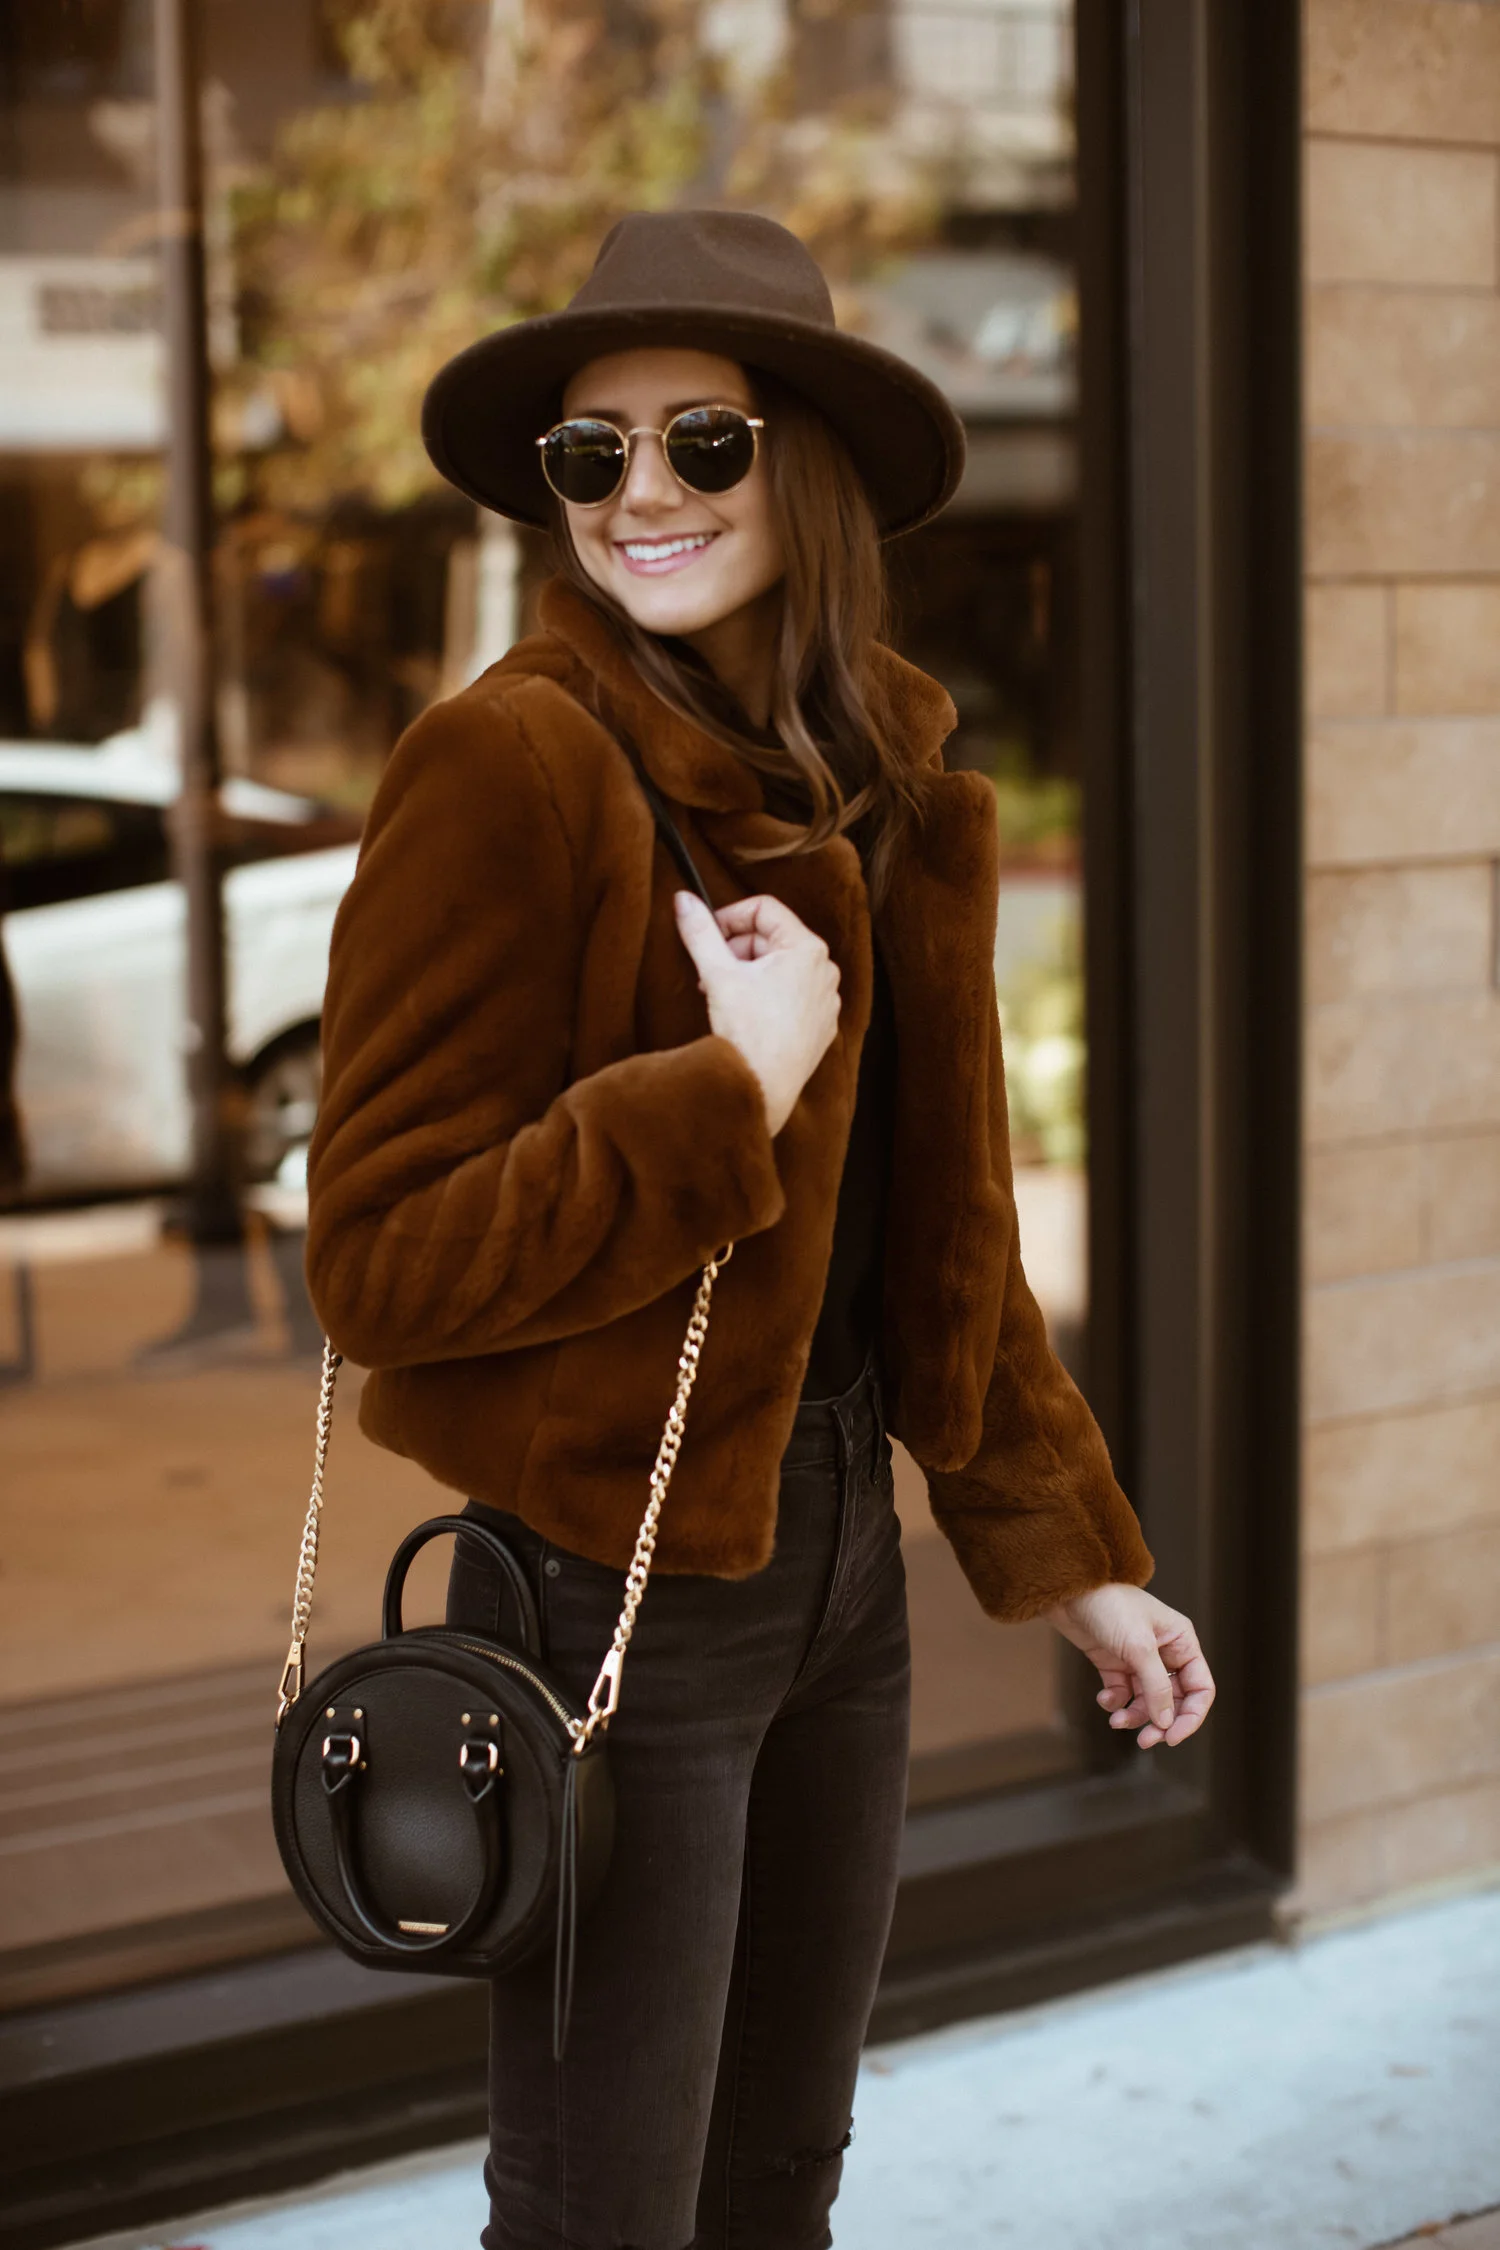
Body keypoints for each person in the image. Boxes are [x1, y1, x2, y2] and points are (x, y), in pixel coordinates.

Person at [305, 209, 1215, 2250]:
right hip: (605, 1589)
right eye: (592, 451)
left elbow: (948, 1243)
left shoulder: (890, 780)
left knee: (780, 2174)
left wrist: (1071, 1553)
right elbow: (379, 1258)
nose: (642, 492)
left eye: (701, 441)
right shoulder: (508, 760)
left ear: (805, 469)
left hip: (840, 1575)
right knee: (604, 2205)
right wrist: (727, 1095)